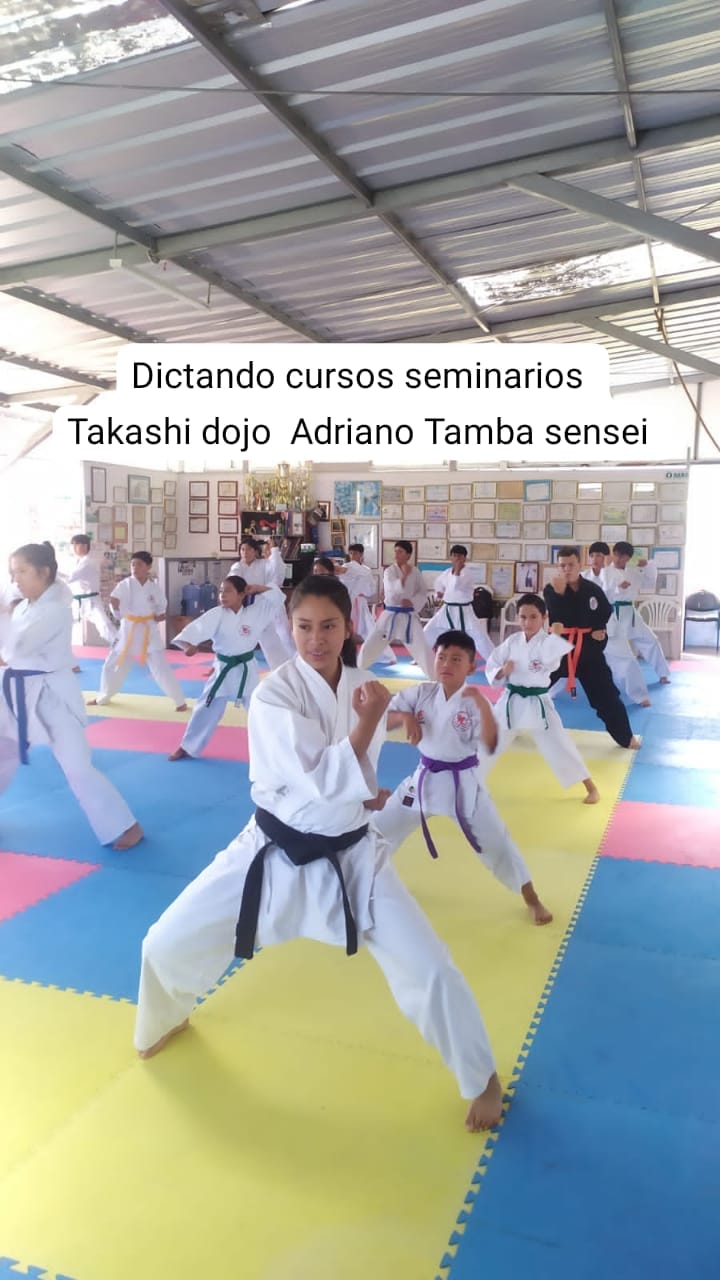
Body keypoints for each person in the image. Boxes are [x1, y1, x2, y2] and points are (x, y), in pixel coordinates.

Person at [135, 576, 503, 1132]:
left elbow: (356, 776)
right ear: (289, 627)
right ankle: (163, 1018)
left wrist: (372, 779)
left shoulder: (364, 686)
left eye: (329, 626)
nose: (316, 638)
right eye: (304, 626)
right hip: (270, 848)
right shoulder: (274, 695)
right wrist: (370, 723)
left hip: (354, 855)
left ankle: (481, 1076)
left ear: (348, 626)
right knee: (164, 942)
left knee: (430, 967)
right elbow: (321, 777)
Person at [374, 629, 552, 925]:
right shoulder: (420, 693)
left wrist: (483, 706)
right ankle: (362, 882)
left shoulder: (474, 702)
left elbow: (491, 743)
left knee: (498, 843)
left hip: (463, 786)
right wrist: (405, 717)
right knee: (377, 829)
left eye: (456, 659)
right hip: (422, 781)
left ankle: (531, 898)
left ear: (471, 667)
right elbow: (384, 719)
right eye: (441, 657)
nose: (446, 664)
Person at [0, 542, 143, 849]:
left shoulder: (56, 610)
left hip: (53, 698)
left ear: (44, 572)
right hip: (16, 693)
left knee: (77, 766)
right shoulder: (25, 606)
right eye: (13, 573)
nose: (16, 579)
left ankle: (126, 825)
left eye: (22, 571)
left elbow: (14, 649)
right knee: (2, 755)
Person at [485, 595, 599, 803]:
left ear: (544, 617)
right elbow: (492, 663)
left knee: (559, 743)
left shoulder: (548, 642)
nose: (527, 622)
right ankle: (466, 784)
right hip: (510, 700)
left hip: (538, 702)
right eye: (522, 617)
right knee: (488, 741)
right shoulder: (512, 641)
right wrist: (502, 671)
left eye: (533, 617)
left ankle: (591, 787)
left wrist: (555, 636)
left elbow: (552, 663)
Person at [168, 578, 287, 761]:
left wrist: (256, 587)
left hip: (247, 669)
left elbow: (277, 597)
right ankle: (188, 746)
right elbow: (195, 630)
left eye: (228, 591)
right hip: (223, 669)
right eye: (221, 591)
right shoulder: (217, 614)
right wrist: (188, 645)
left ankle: (275, 749)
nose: (222, 595)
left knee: (259, 708)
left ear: (242, 594)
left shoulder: (256, 612)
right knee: (205, 707)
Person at [544, 548, 640, 749]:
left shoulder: (592, 590)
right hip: (558, 651)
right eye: (562, 565)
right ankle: (507, 726)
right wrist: (559, 594)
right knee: (529, 684)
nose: (567, 569)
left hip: (587, 650)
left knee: (607, 695)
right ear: (557, 567)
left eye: (571, 564)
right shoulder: (551, 589)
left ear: (579, 565)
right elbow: (558, 617)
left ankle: (626, 737)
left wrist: (599, 631)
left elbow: (604, 613)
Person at [88, 551, 188, 712]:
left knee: (160, 667)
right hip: (128, 630)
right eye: (133, 564)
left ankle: (179, 701)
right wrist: (115, 607)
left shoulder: (154, 587)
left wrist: (160, 615)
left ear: (148, 567)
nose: (135, 567)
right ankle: (103, 697)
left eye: (139, 564)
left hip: (148, 630)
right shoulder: (125, 585)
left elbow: (161, 607)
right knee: (111, 664)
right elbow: (117, 610)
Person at [581, 542, 650, 707]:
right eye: (593, 555)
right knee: (565, 656)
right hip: (585, 624)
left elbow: (611, 596)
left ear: (607, 558)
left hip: (608, 623)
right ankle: (548, 690)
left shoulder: (614, 575)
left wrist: (618, 588)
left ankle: (639, 695)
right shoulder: (582, 577)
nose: (596, 559)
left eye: (600, 556)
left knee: (627, 658)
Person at [358, 541, 433, 677]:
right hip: (390, 615)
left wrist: (412, 602)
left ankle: (436, 677)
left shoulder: (415, 572)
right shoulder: (389, 571)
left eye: (400, 551)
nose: (396, 554)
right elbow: (391, 590)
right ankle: (357, 670)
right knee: (370, 644)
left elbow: (422, 592)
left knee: (422, 648)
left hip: (408, 616)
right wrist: (404, 577)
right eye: (396, 551)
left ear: (408, 555)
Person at [604, 542, 671, 685]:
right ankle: (606, 678)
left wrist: (647, 566)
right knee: (612, 648)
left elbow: (650, 582)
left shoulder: (633, 572)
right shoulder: (605, 572)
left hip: (631, 613)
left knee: (651, 640)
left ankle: (663, 674)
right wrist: (617, 588)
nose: (618, 559)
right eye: (616, 555)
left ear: (628, 558)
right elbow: (602, 593)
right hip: (612, 614)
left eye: (622, 556)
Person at [232, 537, 294, 667]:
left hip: (271, 602)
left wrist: (274, 549)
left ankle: (296, 663)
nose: (245, 552)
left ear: (255, 551)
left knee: (285, 636)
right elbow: (232, 581)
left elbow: (278, 574)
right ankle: (278, 668)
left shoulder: (264, 564)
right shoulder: (237, 567)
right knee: (264, 640)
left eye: (249, 549)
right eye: (242, 549)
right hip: (252, 608)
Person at [424, 545, 493, 660]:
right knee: (429, 631)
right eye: (454, 555)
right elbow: (438, 583)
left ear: (465, 558)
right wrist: (439, 592)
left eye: (459, 556)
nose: (456, 558)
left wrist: (457, 570)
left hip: (464, 610)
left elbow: (456, 585)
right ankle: (421, 656)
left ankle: (494, 660)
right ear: (451, 557)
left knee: (480, 636)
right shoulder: (447, 572)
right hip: (447, 609)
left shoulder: (467, 573)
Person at [61, 534, 118, 647]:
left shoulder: (88, 562)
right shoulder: (80, 561)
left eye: (76, 545)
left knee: (104, 626)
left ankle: (120, 645)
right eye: (73, 545)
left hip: (91, 600)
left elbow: (70, 579)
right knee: (64, 623)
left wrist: (52, 572)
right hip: (79, 601)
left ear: (84, 546)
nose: (74, 548)